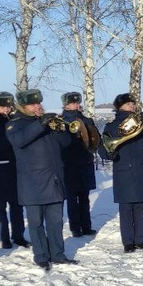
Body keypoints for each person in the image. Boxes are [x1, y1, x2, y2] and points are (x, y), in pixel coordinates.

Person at [7, 89, 78, 271]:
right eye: (33, 104)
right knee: (36, 223)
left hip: (53, 180)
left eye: (38, 103)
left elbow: (65, 143)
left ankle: (58, 254)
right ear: (22, 106)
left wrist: (60, 129)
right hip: (32, 183)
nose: (37, 106)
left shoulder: (47, 122)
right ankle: (41, 256)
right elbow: (20, 141)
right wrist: (41, 124)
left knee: (55, 221)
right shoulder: (15, 124)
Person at [100, 93, 143, 253]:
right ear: (120, 107)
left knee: (140, 207)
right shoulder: (112, 126)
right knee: (126, 208)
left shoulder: (141, 123)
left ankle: (140, 240)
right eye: (129, 104)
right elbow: (103, 148)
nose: (132, 107)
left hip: (140, 169)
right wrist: (110, 154)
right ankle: (128, 242)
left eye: (133, 104)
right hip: (123, 170)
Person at [0, 91, 28, 249]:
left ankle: (18, 235)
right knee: (0, 206)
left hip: (15, 168)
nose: (7, 110)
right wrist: (10, 139)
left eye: (9, 106)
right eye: (3, 107)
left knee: (17, 204)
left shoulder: (15, 119)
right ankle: (3, 237)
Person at [60, 91, 98, 237]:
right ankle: (75, 228)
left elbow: (94, 138)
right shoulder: (62, 121)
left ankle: (86, 226)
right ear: (66, 104)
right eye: (72, 103)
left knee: (84, 197)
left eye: (77, 102)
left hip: (84, 161)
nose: (76, 105)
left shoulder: (87, 120)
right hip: (68, 163)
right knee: (71, 198)